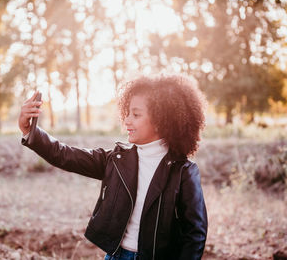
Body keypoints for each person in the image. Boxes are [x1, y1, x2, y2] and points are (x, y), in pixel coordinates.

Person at [18, 74, 208, 260]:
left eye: (136, 114)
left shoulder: (183, 172)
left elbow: (195, 234)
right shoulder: (116, 160)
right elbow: (64, 155)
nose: (127, 120)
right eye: (127, 113)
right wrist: (30, 131)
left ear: (161, 120)